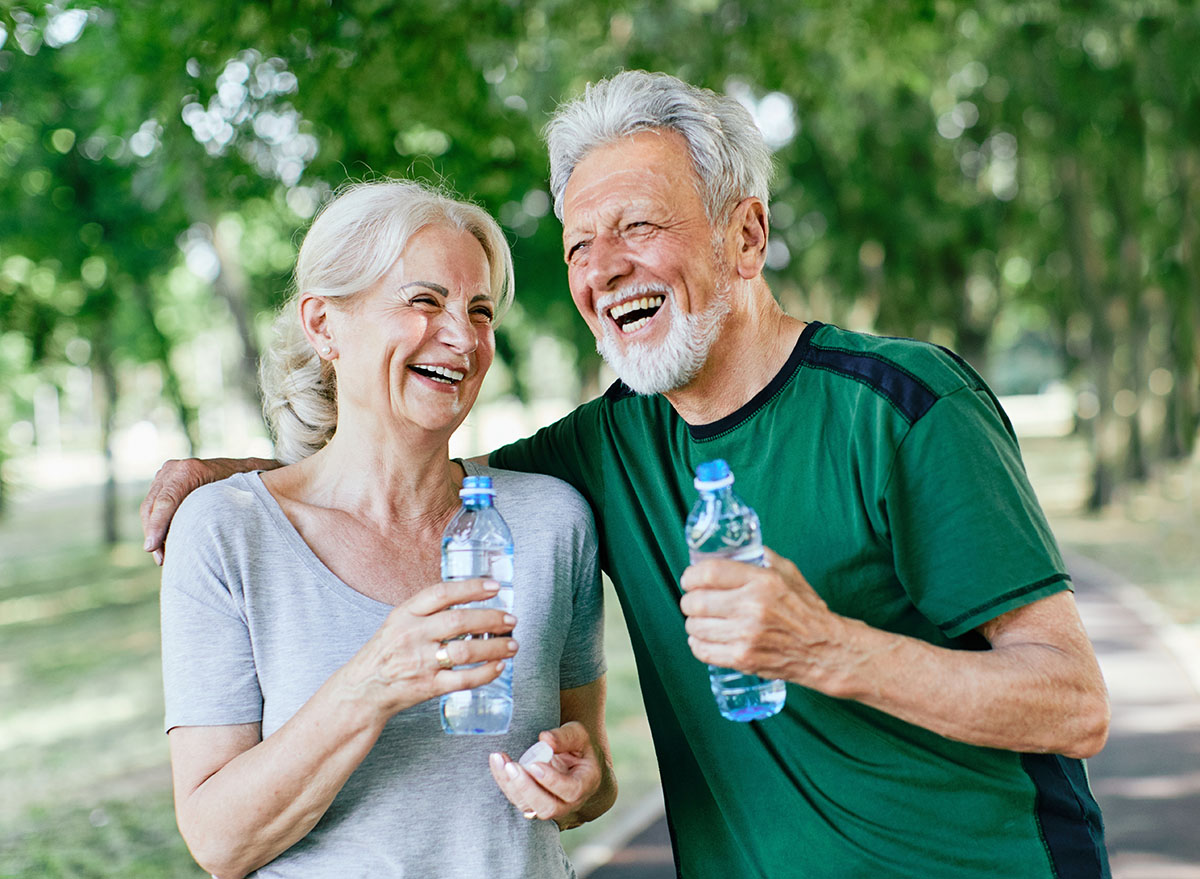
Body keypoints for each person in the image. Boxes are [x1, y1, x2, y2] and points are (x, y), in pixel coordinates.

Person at [143, 73, 1111, 878]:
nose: (603, 269)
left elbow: (1073, 701)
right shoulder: (604, 452)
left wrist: (827, 649)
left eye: (638, 226)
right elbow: (405, 467)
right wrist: (234, 481)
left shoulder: (901, 407)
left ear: (744, 236)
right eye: (578, 246)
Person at [157, 179, 615, 878]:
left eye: (481, 310)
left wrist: (581, 783)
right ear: (323, 324)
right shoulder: (226, 533)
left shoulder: (553, 522)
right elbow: (220, 841)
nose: (463, 337)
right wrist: (371, 683)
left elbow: (597, 774)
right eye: (425, 300)